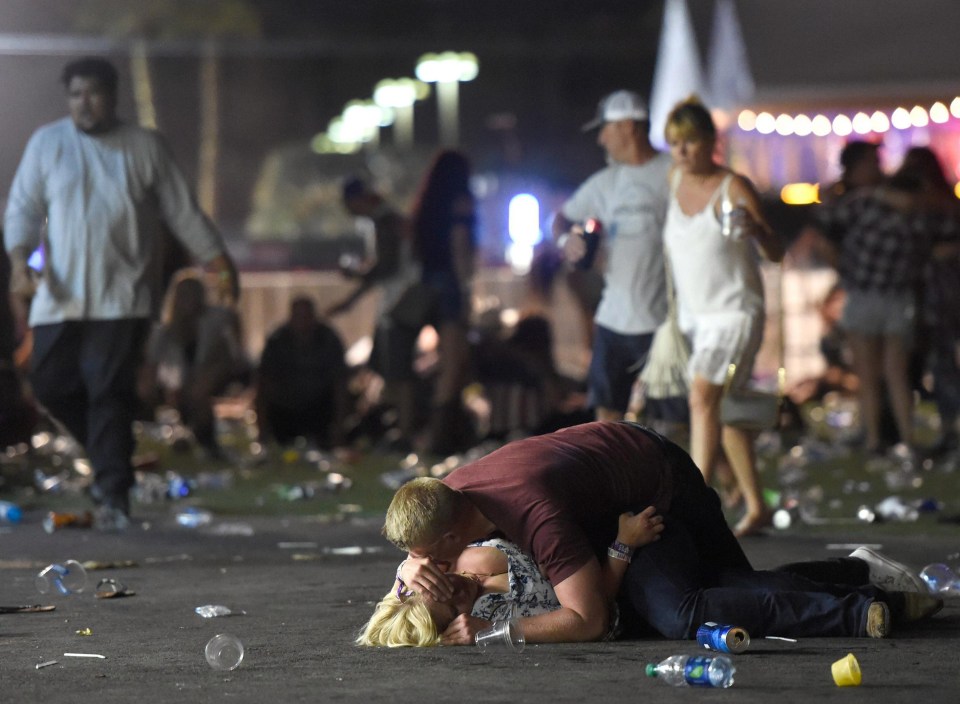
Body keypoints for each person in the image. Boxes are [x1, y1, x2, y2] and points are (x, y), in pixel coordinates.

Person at [383, 421, 941, 645]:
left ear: (454, 540)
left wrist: (487, 638)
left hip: (655, 489)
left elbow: (590, 617)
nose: (429, 569)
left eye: (428, 558)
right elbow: (423, 555)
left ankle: (860, 598)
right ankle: (857, 573)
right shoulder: (449, 497)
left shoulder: (534, 513)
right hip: (611, 506)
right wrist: (408, 571)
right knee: (735, 585)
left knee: (690, 610)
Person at [3, 57, 238, 530]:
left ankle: (114, 493)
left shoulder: (143, 146)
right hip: (60, 295)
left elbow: (181, 210)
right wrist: (19, 262)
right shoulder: (48, 143)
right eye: (75, 95)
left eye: (93, 93)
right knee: (48, 382)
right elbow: (23, 208)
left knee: (107, 390)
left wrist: (217, 262)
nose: (83, 104)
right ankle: (109, 457)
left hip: (123, 295)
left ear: (113, 97)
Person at [660, 97, 785, 538]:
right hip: (698, 317)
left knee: (702, 397)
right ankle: (756, 505)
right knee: (723, 410)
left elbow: (776, 252)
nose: (682, 151)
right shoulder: (673, 181)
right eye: (674, 142)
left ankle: (696, 497)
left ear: (710, 142)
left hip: (735, 313)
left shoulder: (733, 187)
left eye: (690, 141)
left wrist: (758, 231)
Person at [816, 148, 959, 459]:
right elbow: (939, 239)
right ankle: (907, 440)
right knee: (896, 374)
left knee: (868, 375)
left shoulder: (864, 204)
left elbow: (828, 225)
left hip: (865, 296)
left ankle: (874, 441)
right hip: (898, 298)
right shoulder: (919, 215)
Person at [359, 507, 664, 647]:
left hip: (584, 518)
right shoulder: (501, 613)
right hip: (624, 565)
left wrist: (405, 567)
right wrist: (624, 544)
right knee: (685, 613)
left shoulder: (453, 559)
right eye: (453, 608)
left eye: (441, 588)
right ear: (454, 628)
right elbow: (597, 609)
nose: (457, 591)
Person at [552, 90, 676, 424]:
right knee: (606, 420)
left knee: (674, 423)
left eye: (606, 129)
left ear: (627, 127)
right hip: (612, 322)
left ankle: (694, 477)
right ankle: (617, 477)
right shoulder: (606, 183)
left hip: (664, 323)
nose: (602, 140)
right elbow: (561, 218)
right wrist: (567, 240)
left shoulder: (674, 172)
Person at [327, 177, 421, 447]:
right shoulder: (388, 220)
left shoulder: (385, 221)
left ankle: (404, 432)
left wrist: (355, 276)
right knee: (385, 366)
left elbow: (387, 268)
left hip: (398, 303)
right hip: (398, 301)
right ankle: (396, 425)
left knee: (398, 370)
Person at [138, 269, 249, 458]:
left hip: (216, 375)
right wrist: (149, 388)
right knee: (190, 391)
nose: (189, 299)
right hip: (179, 383)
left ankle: (203, 438)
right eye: (184, 294)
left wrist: (237, 349)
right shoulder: (164, 332)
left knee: (200, 388)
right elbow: (152, 364)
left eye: (193, 293)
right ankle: (198, 437)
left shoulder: (215, 319)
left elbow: (232, 315)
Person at [410, 150, 477, 454]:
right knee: (452, 364)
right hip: (451, 285)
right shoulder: (460, 202)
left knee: (451, 361)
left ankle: (450, 432)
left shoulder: (427, 206)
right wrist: (465, 288)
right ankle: (437, 438)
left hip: (429, 284)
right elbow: (460, 243)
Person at [906, 147, 960, 456]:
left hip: (940, 293)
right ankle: (949, 426)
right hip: (936, 292)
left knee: (943, 363)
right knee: (941, 364)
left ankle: (950, 427)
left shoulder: (934, 207)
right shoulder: (944, 203)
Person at [255, 296, 348, 449]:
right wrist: (262, 431)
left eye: (306, 316)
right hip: (285, 410)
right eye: (298, 316)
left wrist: (339, 427)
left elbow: (340, 383)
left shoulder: (329, 339)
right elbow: (262, 385)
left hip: (319, 409)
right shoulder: (277, 340)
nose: (303, 322)